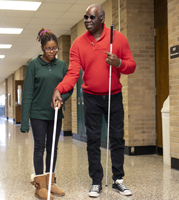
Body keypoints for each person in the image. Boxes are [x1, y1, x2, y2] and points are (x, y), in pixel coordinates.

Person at [51, 4, 136, 198]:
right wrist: (59, 89)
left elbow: (131, 66)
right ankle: (96, 181)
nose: (87, 20)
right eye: (86, 17)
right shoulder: (78, 44)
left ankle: (118, 180)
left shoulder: (118, 39)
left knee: (117, 138)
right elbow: (73, 74)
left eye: (92, 17)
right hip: (91, 98)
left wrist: (119, 63)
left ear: (102, 19)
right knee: (93, 140)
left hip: (113, 95)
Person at [21, 28, 73, 200]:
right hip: (37, 113)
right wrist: (24, 121)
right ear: (42, 48)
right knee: (39, 147)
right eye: (49, 49)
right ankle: (40, 185)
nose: (52, 52)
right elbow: (27, 92)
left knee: (53, 148)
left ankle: (51, 181)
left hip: (55, 113)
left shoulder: (62, 65)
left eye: (55, 48)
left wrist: (62, 98)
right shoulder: (33, 65)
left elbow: (68, 88)